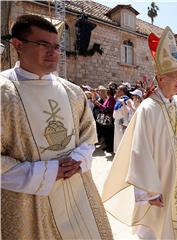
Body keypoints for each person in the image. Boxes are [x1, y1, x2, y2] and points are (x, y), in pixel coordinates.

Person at [102, 26, 177, 240]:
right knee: (156, 230)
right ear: (160, 78)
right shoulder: (148, 109)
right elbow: (139, 151)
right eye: (175, 77)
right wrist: (149, 190)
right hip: (160, 185)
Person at [0, 15, 112, 239]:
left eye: (57, 46)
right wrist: (49, 172)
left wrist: (78, 160)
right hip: (29, 204)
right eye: (43, 45)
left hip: (77, 192)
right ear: (18, 45)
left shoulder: (73, 92)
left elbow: (88, 137)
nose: (53, 52)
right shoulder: (4, 93)